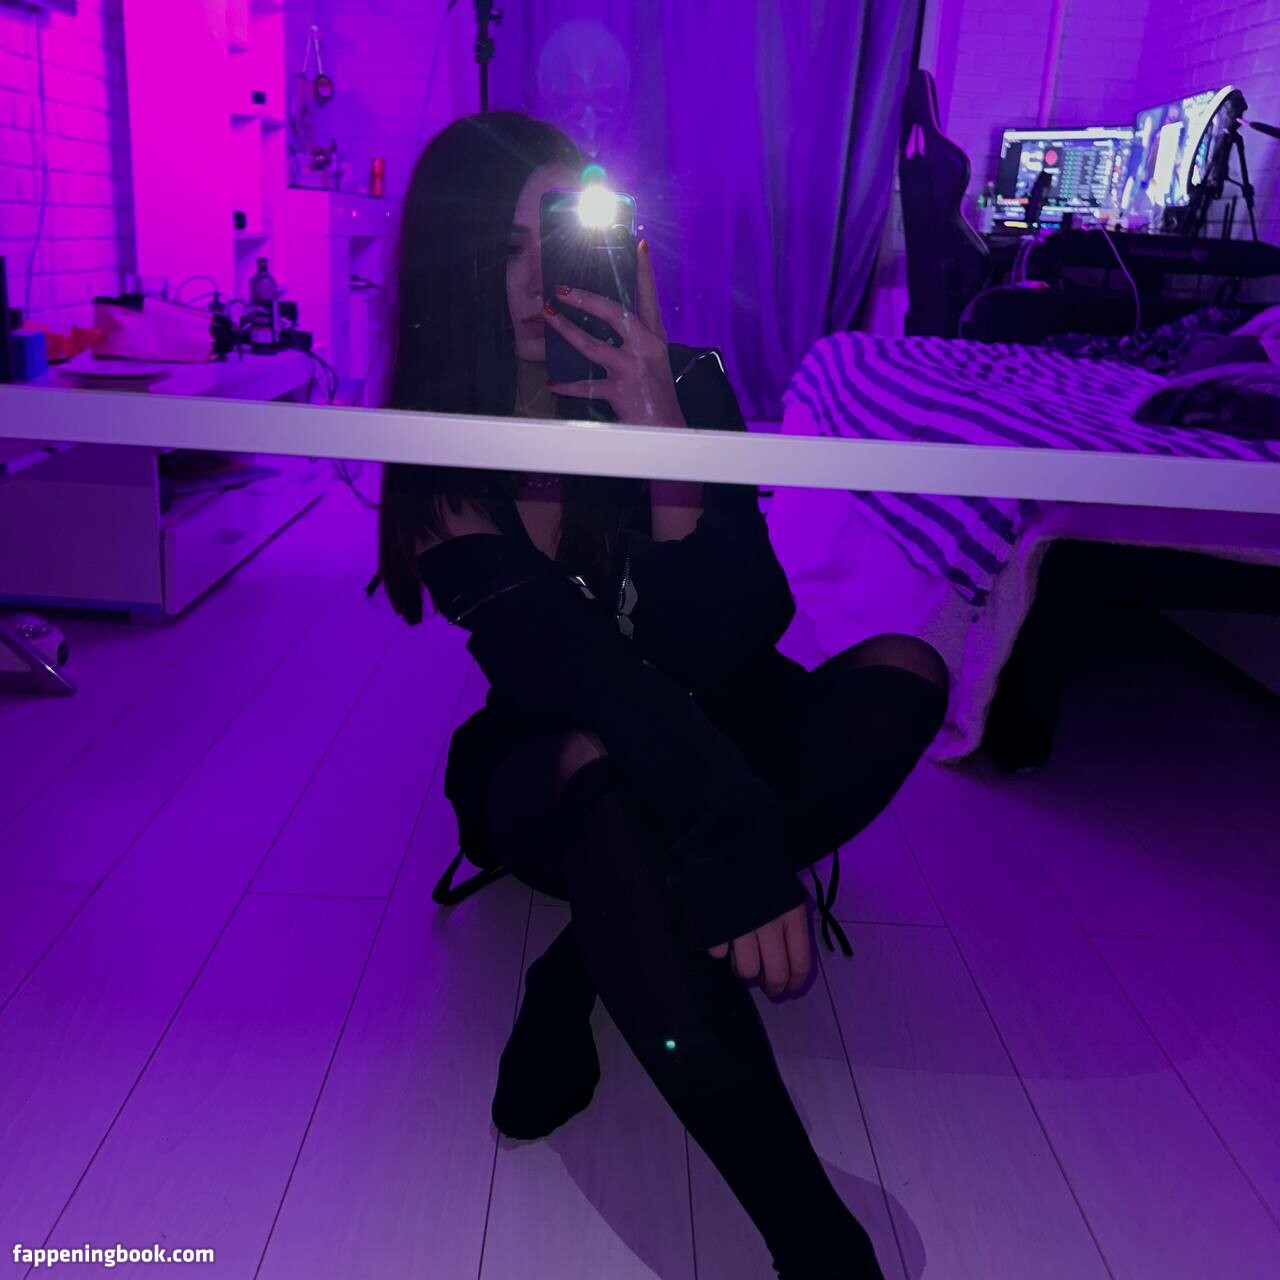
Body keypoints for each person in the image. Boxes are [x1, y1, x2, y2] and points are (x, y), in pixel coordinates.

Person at [378, 111, 951, 1280]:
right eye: (503, 248)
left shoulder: (683, 381)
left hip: (718, 711)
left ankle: (578, 965)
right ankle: (814, 1239)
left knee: (904, 671)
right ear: (453, 268)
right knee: (600, 756)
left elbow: (741, 625)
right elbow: (570, 669)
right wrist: (734, 835)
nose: (538, 275)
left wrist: (659, 432)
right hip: (553, 759)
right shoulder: (443, 448)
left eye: (560, 235)